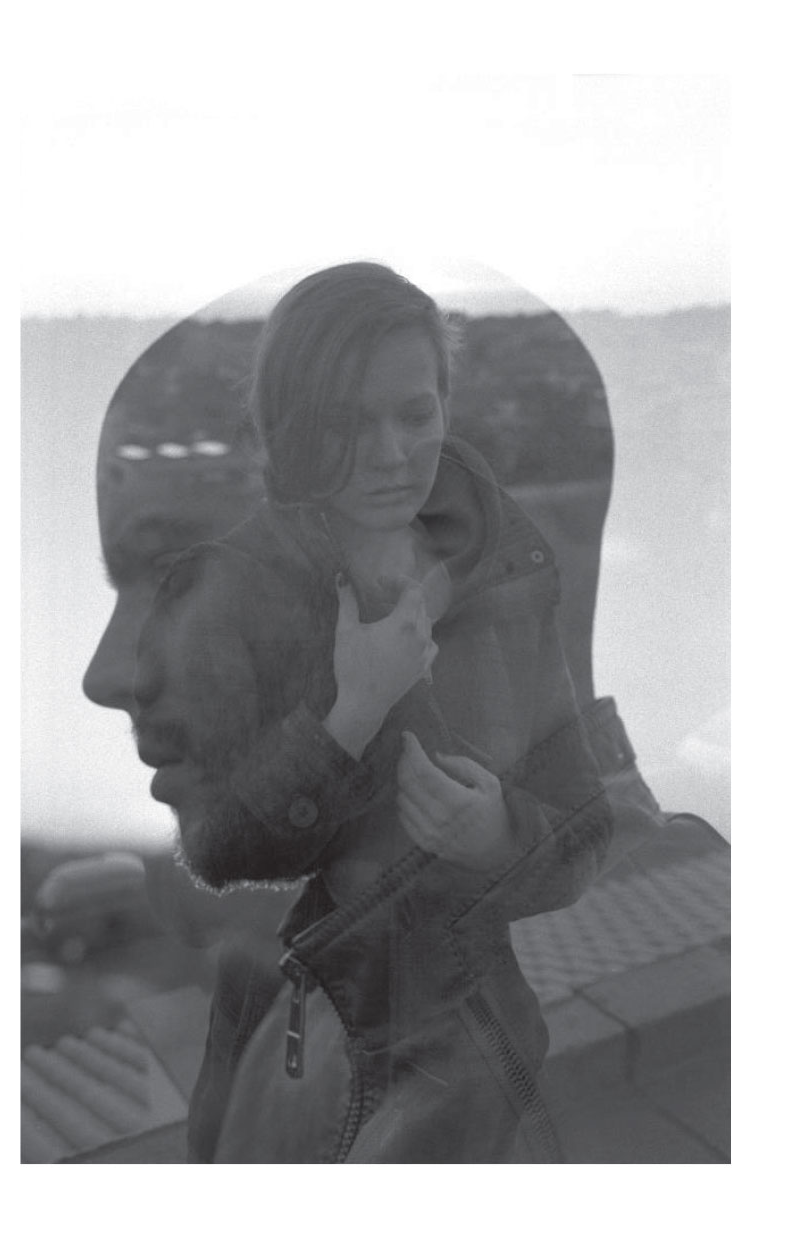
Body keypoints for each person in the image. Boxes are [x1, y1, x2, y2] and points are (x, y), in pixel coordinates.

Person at [125, 262, 612, 1162]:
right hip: (307, 1034)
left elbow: (584, 819)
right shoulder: (231, 586)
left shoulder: (505, 561)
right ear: (292, 425)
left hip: (473, 1036)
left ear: (445, 404)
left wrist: (499, 833)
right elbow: (215, 847)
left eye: (415, 413)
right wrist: (353, 712)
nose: (391, 453)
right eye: (347, 423)